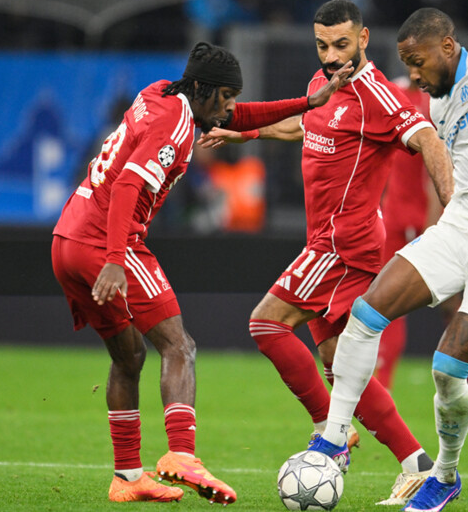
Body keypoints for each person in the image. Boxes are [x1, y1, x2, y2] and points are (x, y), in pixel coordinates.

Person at [51, 41, 353, 504]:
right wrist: (114, 258)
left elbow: (240, 117)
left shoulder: (161, 94)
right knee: (180, 346)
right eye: (225, 96)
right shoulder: (175, 123)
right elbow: (129, 183)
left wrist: (308, 102)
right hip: (106, 242)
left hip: (67, 238)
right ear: (201, 89)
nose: (229, 107)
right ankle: (182, 454)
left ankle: (128, 477)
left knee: (129, 358)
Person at [309, 7, 468, 512]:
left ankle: (445, 475)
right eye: (407, 64)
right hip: (461, 228)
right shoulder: (437, 102)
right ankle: (333, 439)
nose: (413, 75)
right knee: (365, 314)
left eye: (418, 62)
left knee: (447, 370)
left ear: (448, 47)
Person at [199, 0, 454, 506]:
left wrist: (454, 210)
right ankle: (417, 465)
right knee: (340, 362)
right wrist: (245, 132)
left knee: (266, 324)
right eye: (322, 45)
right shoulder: (323, 83)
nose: (332, 55)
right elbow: (305, 124)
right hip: (329, 241)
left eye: (342, 44)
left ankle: (329, 433)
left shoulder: (377, 95)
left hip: (343, 245)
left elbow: (428, 138)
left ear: (363, 38)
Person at [376, 78, 468, 415]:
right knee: (385, 302)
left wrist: (434, 222)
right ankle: (383, 389)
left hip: (427, 217)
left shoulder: (440, 100)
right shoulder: (390, 92)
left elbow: (439, 165)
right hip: (393, 217)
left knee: (450, 303)